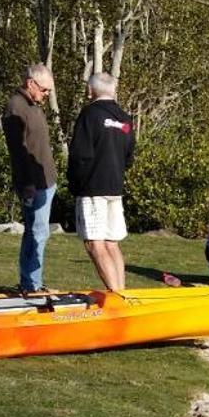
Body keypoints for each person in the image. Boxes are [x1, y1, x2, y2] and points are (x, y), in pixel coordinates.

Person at [67, 71, 137, 293]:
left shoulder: (90, 115)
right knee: (112, 242)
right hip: (115, 187)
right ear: (113, 90)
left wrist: (74, 183)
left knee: (94, 243)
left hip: (92, 188)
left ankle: (116, 296)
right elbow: (129, 156)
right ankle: (122, 292)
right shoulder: (125, 118)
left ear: (91, 91)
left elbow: (79, 154)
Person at [0, 63, 57, 293]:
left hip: (47, 180)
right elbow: (18, 151)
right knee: (37, 233)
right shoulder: (16, 108)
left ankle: (30, 280)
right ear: (31, 83)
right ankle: (32, 283)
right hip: (33, 183)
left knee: (37, 231)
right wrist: (27, 184)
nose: (46, 95)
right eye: (44, 90)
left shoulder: (33, 105)